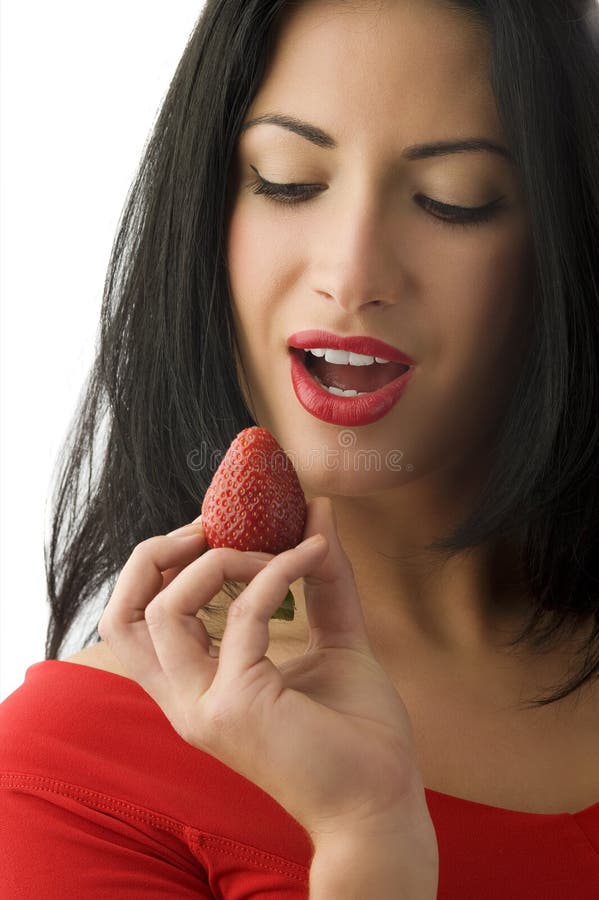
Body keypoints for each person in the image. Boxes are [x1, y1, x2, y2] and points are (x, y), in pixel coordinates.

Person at [1, 0, 598, 896]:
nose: (351, 273)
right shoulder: (70, 774)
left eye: (454, 199)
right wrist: (367, 840)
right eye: (286, 180)